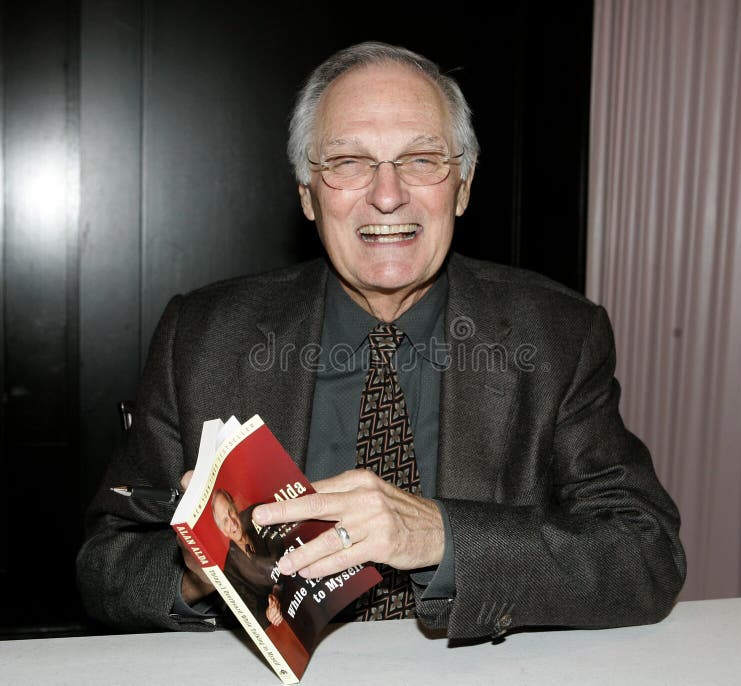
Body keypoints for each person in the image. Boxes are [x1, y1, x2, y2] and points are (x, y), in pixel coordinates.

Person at [77, 41, 686, 639]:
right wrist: (200, 572)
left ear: (464, 186)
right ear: (307, 195)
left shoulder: (556, 335)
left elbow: (645, 555)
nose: (388, 194)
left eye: (421, 160)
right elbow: (106, 564)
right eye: (348, 163)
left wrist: (440, 534)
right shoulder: (204, 336)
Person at [210, 489, 284, 628]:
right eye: (225, 521)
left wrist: (276, 592)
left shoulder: (257, 515)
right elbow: (253, 611)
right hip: (279, 623)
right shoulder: (231, 571)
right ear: (223, 531)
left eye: (230, 512)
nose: (232, 522)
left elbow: (283, 550)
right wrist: (270, 612)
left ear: (236, 509)